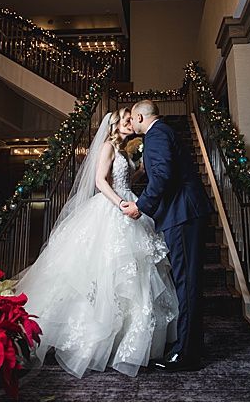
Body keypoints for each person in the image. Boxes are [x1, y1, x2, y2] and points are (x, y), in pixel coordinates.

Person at [13, 108, 179, 378]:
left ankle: (123, 342)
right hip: (112, 207)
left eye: (131, 119)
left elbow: (122, 180)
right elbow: (100, 181)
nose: (130, 123)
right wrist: (120, 203)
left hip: (128, 203)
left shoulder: (123, 151)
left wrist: (138, 174)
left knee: (134, 275)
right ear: (115, 124)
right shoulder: (107, 146)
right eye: (126, 120)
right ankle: (95, 339)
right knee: (104, 272)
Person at [120, 99, 210, 371]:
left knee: (187, 283)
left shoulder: (156, 135)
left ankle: (186, 355)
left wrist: (141, 206)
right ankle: (190, 346)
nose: (131, 123)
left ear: (139, 117)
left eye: (132, 118)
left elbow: (162, 176)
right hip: (185, 213)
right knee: (187, 281)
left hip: (182, 214)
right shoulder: (164, 132)